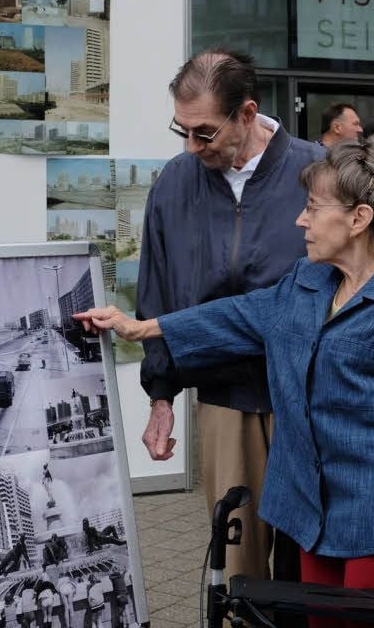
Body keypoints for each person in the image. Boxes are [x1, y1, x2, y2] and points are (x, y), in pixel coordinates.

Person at [76, 136, 374, 628]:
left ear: (359, 218)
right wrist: (139, 327)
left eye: (313, 208)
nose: (301, 220)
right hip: (313, 511)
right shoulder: (308, 280)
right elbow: (238, 314)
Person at [137, 46, 324, 583]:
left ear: (247, 113)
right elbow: (157, 292)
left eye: (205, 133)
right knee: (237, 566)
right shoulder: (174, 182)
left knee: (307, 563)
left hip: (309, 396)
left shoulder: (318, 171)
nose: (192, 147)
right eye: (183, 131)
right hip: (225, 397)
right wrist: (160, 396)